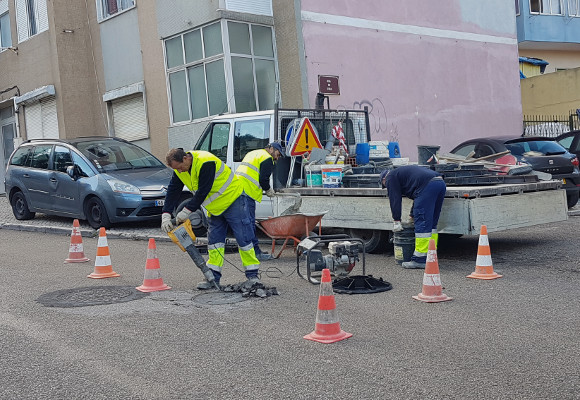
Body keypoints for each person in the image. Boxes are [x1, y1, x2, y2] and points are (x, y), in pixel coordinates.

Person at [161, 149, 260, 289]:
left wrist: (186, 212)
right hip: (215, 208)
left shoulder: (206, 161)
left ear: (185, 158)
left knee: (243, 239)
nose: (180, 171)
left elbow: (203, 190)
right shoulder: (179, 170)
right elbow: (172, 190)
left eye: (180, 167)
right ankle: (213, 278)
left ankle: (253, 276)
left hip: (233, 200)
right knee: (214, 243)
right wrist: (165, 214)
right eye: (176, 169)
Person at [380, 165, 446, 269]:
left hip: (427, 186)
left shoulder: (390, 177)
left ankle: (420, 259)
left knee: (422, 224)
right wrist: (412, 214)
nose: (387, 187)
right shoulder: (402, 173)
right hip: (439, 183)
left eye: (385, 185)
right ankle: (431, 255)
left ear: (384, 179)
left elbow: (395, 199)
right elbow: (418, 195)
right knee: (431, 225)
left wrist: (396, 220)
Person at [235, 143, 284, 261]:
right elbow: (263, 179)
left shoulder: (253, 153)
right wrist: (268, 190)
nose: (277, 158)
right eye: (278, 154)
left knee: (246, 223)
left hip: (237, 189)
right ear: (272, 148)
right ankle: (256, 253)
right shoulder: (267, 158)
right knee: (249, 223)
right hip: (247, 192)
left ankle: (253, 252)